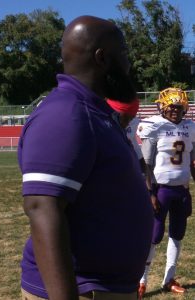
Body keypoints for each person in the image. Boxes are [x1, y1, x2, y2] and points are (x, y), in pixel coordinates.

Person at [18, 15, 153, 300]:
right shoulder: (66, 114)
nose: (129, 65)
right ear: (102, 58)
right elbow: (42, 207)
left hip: (106, 287)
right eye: (125, 54)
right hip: (85, 290)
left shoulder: (95, 113)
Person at [137, 87, 195, 298]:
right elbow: (146, 165)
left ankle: (168, 278)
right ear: (162, 107)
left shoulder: (190, 127)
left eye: (178, 107)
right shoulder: (154, 126)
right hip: (160, 190)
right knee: (154, 235)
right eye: (170, 107)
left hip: (181, 191)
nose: (174, 111)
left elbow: (193, 161)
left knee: (177, 235)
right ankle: (141, 280)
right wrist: (150, 192)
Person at [106, 98, 147, 175]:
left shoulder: (135, 121)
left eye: (131, 118)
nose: (128, 122)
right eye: (126, 118)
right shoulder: (103, 123)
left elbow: (134, 144)